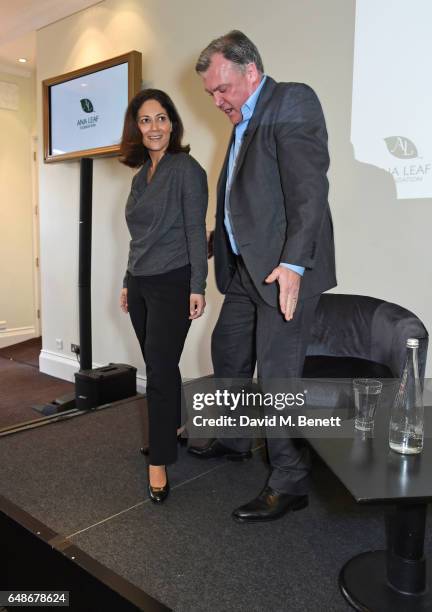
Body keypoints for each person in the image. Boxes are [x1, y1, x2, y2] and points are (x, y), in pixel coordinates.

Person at [188, 31, 336, 522]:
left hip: (281, 273)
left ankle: (290, 481)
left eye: (222, 88)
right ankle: (233, 440)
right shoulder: (244, 119)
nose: (217, 100)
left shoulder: (291, 100)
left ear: (250, 71)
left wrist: (294, 264)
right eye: (211, 93)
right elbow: (249, 198)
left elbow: (308, 189)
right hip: (246, 273)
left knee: (277, 379)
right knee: (228, 352)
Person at [119, 89, 208, 503]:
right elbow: (138, 237)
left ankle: (160, 460)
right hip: (140, 282)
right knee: (162, 364)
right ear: (136, 129)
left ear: (172, 123)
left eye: (160, 118)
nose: (154, 127)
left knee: (157, 369)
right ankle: (171, 426)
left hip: (173, 281)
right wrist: (126, 279)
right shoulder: (140, 177)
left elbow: (195, 232)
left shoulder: (186, 170)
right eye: (145, 120)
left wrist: (197, 286)